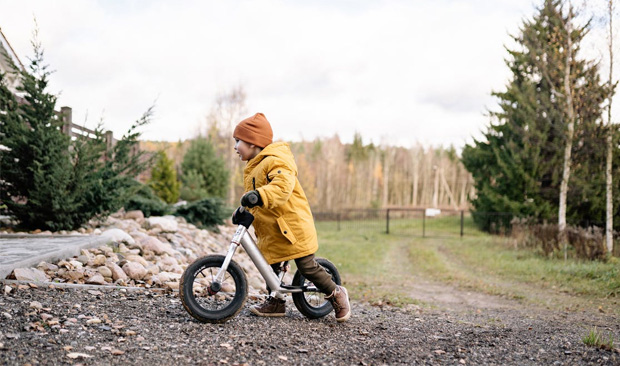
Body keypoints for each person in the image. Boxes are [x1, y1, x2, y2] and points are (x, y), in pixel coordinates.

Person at [231, 112, 351, 323]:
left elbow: (281, 188)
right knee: (272, 267)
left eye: (238, 141)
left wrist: (258, 195)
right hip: (275, 229)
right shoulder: (254, 168)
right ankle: (276, 302)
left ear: (252, 142)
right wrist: (245, 209)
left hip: (293, 227)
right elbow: (258, 201)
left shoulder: (277, 161)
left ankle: (337, 294)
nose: (235, 147)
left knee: (306, 266)